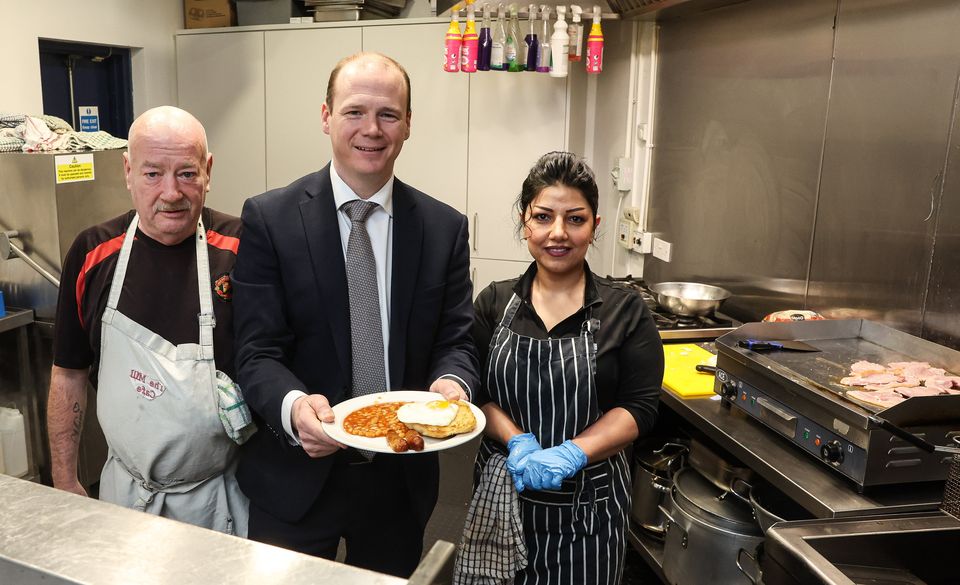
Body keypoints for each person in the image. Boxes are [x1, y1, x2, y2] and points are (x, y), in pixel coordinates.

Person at [231, 52, 480, 578]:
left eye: (389, 114)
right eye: (354, 112)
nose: (372, 129)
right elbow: (256, 351)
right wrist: (295, 407)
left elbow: (457, 339)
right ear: (326, 117)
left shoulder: (442, 229)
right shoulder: (270, 220)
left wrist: (452, 381)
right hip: (296, 472)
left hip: (398, 475)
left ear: (409, 124)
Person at [47, 106, 249, 535]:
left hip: (220, 499)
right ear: (127, 171)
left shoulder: (242, 248)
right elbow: (68, 374)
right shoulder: (92, 253)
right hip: (125, 497)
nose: (171, 193)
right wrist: (64, 478)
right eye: (153, 174)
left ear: (208, 171)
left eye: (187, 174)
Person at [466, 152, 664, 584]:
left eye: (575, 219)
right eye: (543, 217)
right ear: (525, 222)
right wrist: (517, 438)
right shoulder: (495, 302)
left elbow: (639, 407)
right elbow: (479, 395)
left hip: (589, 515)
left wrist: (574, 452)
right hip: (503, 498)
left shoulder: (624, 310)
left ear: (596, 225)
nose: (558, 233)